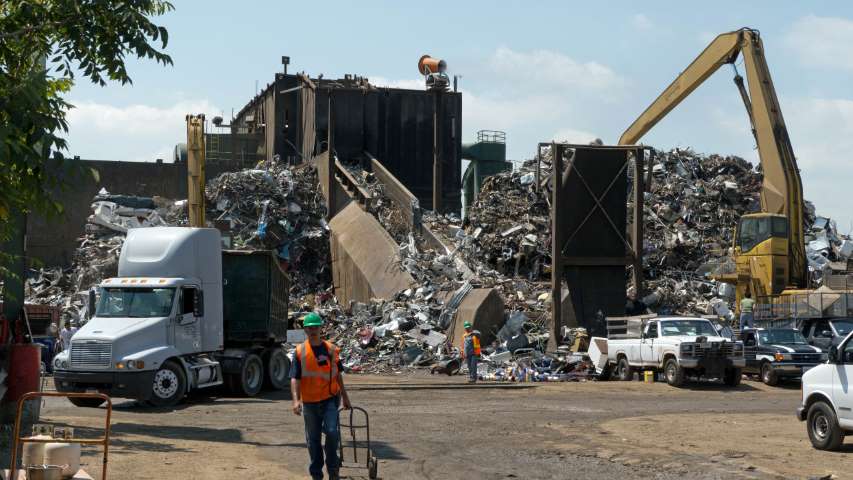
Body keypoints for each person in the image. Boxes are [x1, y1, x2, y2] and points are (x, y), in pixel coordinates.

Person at [290, 312, 351, 480]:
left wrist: (345, 397)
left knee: (332, 432)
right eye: (309, 328)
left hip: (330, 398)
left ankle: (333, 470)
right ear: (305, 330)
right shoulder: (300, 351)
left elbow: (338, 375)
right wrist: (296, 401)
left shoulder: (331, 349)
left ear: (320, 328)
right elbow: (295, 377)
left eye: (315, 327)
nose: (312, 330)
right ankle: (316, 474)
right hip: (309, 402)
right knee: (313, 440)